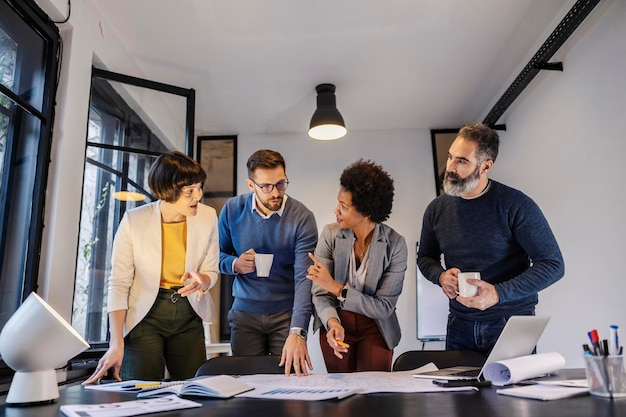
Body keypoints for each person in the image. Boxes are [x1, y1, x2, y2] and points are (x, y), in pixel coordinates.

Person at [417, 123, 564, 356]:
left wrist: (498, 293)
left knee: (515, 393)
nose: (450, 168)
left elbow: (553, 265)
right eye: (450, 157)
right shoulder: (436, 209)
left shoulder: (516, 205)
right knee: (459, 393)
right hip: (460, 323)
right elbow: (425, 257)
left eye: (462, 161)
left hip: (511, 322)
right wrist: (440, 276)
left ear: (486, 166)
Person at [84, 151, 218, 384]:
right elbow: (119, 284)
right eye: (190, 191)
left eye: (199, 187)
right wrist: (116, 342)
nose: (199, 195)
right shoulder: (134, 221)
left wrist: (203, 280)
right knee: (141, 390)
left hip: (188, 313)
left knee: (196, 389)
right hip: (145, 316)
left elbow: (211, 270)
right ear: (167, 191)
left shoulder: (208, 216)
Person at [218, 149, 318, 376]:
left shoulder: (302, 217)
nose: (275, 193)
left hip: (286, 315)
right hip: (244, 314)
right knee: (246, 385)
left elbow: (305, 277)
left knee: (289, 385)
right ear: (250, 185)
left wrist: (298, 330)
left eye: (281, 184)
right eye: (266, 186)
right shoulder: (233, 210)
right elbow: (215, 256)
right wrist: (235, 264)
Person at [307, 159, 407, 372]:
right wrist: (333, 323)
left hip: (376, 328)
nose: (336, 210)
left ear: (367, 212)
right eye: (338, 203)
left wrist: (337, 288)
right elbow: (320, 294)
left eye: (344, 207)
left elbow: (383, 308)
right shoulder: (330, 234)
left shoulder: (395, 244)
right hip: (337, 322)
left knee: (373, 397)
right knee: (341, 397)